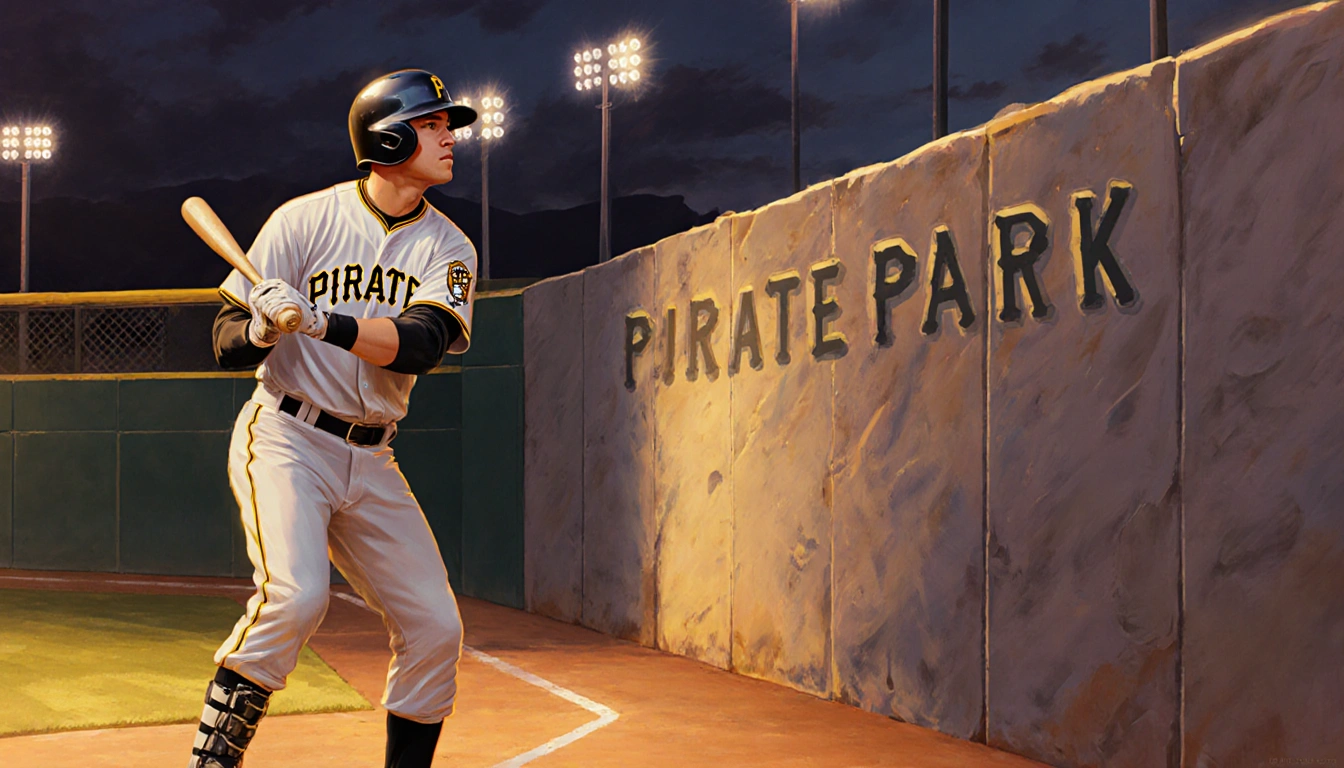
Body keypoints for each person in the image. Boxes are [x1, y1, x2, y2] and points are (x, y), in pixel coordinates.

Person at [188, 69, 479, 768]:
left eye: (446, 125)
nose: (449, 137)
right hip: (288, 437)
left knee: (436, 628)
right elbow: (224, 340)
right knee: (295, 598)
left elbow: (422, 343)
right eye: (434, 124)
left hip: (373, 456)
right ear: (389, 135)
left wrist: (320, 321)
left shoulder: (451, 248)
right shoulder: (303, 219)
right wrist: (261, 328)